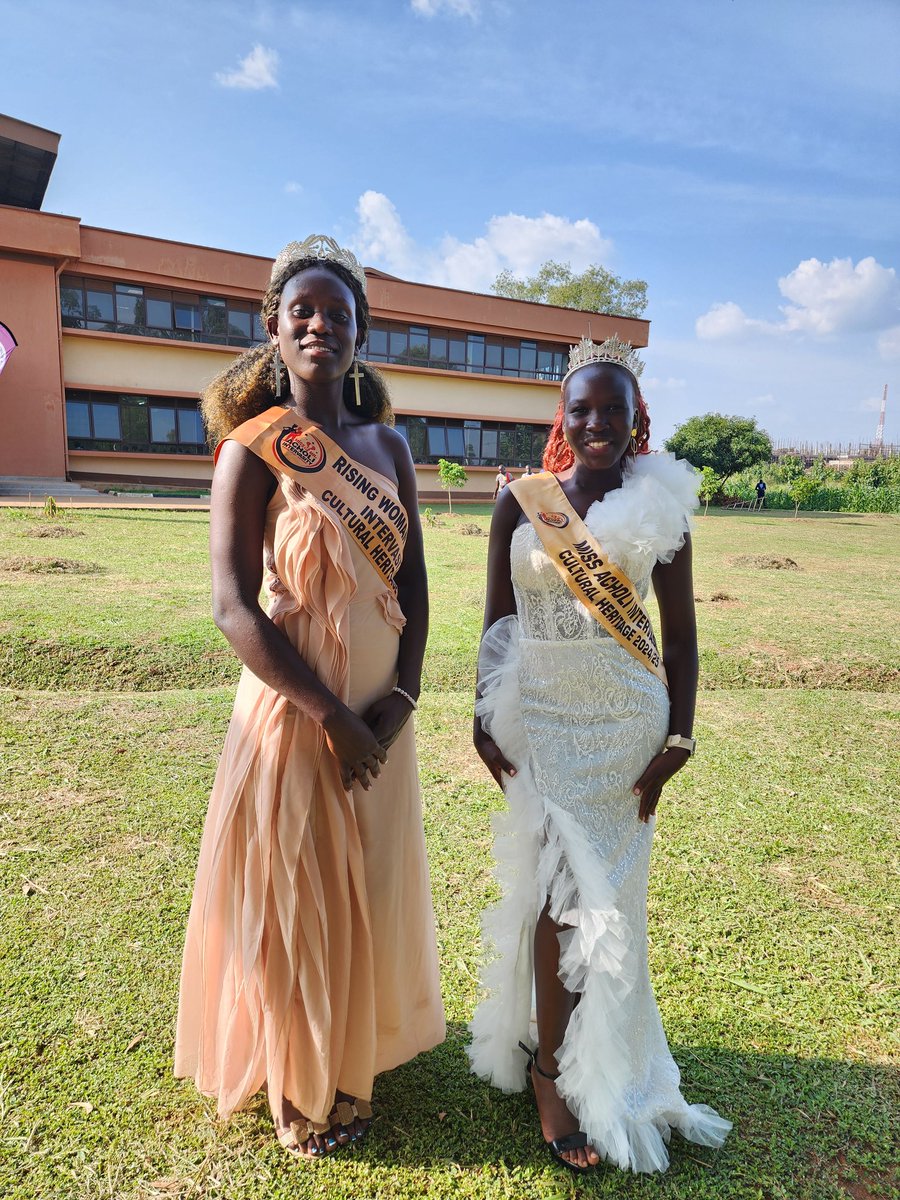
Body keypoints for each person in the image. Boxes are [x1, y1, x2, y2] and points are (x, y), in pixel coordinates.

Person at [175, 235, 445, 1159]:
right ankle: (299, 1079)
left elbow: (412, 588)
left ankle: (354, 1048)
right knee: (298, 894)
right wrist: (332, 717)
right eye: (304, 312)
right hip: (296, 715)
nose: (321, 324)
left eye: (338, 312)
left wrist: (400, 700)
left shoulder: (390, 447)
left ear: (361, 333)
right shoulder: (252, 452)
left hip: (381, 718)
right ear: (274, 331)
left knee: (363, 886)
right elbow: (231, 607)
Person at [468, 335, 731, 1175]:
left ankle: (593, 1058)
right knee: (554, 901)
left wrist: (680, 735)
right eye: (582, 408)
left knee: (606, 904)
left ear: (634, 418)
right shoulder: (523, 499)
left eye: (613, 408)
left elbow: (683, 641)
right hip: (542, 722)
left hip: (625, 729)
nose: (597, 423)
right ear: (563, 417)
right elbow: (495, 623)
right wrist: (482, 713)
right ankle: (552, 1069)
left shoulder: (658, 509)